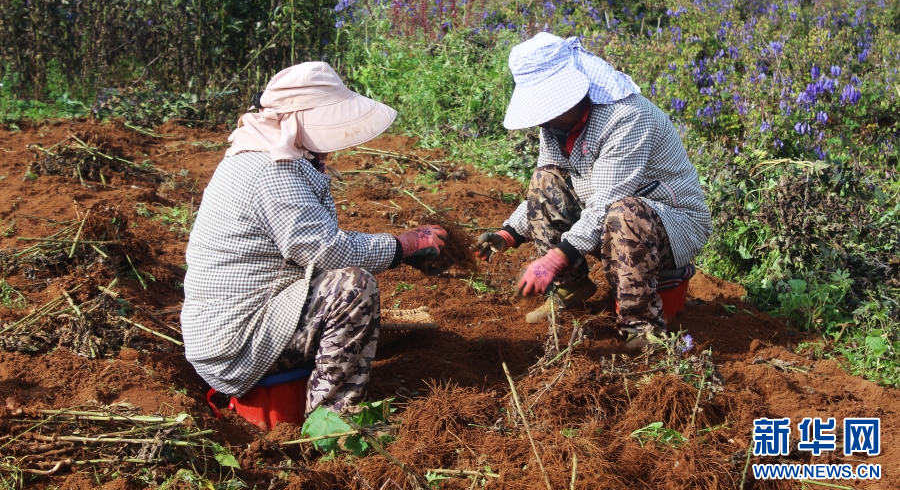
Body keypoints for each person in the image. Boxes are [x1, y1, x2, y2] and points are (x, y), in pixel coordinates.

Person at [182, 62, 446, 414]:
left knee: (341, 291)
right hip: (238, 344)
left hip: (233, 328)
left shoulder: (264, 152)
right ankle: (330, 423)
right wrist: (405, 245)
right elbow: (327, 251)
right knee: (352, 288)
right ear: (298, 120)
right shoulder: (272, 169)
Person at [475, 33, 711, 348]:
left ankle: (644, 329)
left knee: (624, 213)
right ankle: (570, 287)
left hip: (671, 221)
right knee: (545, 178)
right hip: (611, 215)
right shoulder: (557, 126)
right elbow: (549, 187)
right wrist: (508, 234)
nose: (543, 117)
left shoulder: (626, 117)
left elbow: (606, 203)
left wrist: (554, 258)